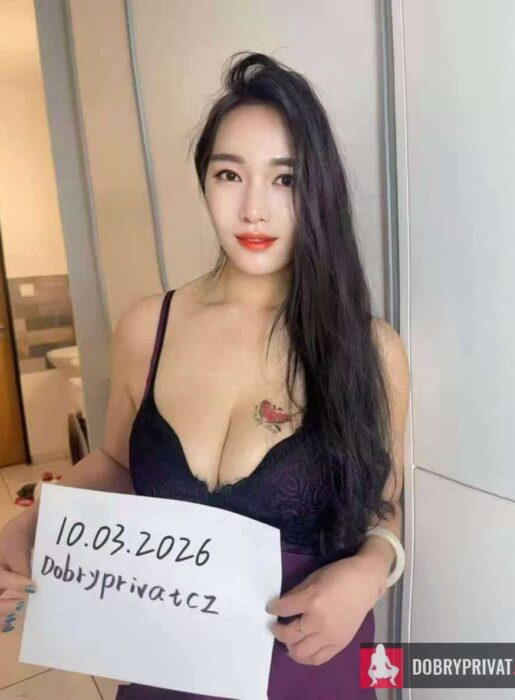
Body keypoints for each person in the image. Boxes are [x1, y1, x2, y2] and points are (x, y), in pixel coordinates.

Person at [0, 51, 409, 698]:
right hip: (167, 666)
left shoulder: (370, 349)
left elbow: (383, 501)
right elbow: (117, 460)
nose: (253, 209)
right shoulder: (147, 327)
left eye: (284, 178)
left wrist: (372, 567)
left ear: (319, 190)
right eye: (229, 174)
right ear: (204, 182)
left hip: (305, 668)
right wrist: (36, 520)